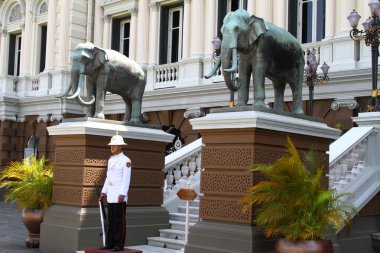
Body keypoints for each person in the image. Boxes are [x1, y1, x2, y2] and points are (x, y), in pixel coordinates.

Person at [99, 133, 131, 252]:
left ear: (120, 147)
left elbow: (126, 179)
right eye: (111, 145)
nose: (112, 147)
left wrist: (122, 193)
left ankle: (119, 244)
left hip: (119, 196)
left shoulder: (126, 160)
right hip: (111, 195)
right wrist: (103, 191)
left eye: (115, 145)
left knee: (119, 221)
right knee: (111, 221)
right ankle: (110, 242)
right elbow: (108, 177)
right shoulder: (111, 160)